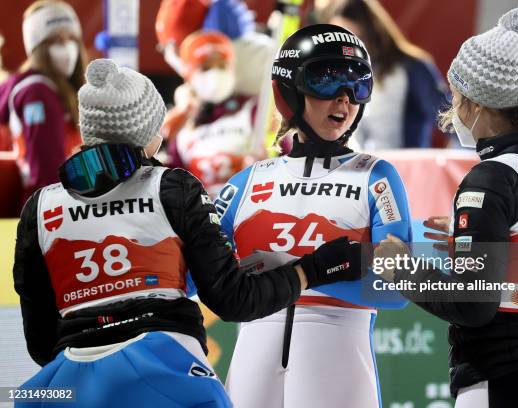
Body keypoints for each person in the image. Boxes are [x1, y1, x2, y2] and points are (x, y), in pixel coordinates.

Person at [12, 58, 365, 408]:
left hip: (66, 385)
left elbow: (41, 342)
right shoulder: (173, 188)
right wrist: (315, 268)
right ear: (147, 132)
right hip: (165, 372)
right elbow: (234, 299)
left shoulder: (39, 207)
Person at [380, 8, 518, 408]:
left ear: (479, 102)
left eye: (458, 95)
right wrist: (487, 245)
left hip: (503, 382)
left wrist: (402, 268)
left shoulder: (491, 177)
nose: (454, 107)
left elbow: (473, 305)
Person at [217, 24, 412, 408]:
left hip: (338, 351)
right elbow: (195, 279)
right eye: (327, 81)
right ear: (289, 90)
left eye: (358, 85)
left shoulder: (377, 177)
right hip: (253, 351)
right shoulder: (246, 182)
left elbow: (397, 287)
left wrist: (294, 274)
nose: (345, 98)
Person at [319, 0, 448, 149]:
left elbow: (450, 121)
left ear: (370, 33)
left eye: (354, 39)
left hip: (403, 168)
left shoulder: (413, 67)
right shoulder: (341, 74)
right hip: (358, 167)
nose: (347, 49)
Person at [0, 0, 87, 206]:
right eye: (55, 40)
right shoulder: (37, 93)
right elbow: (48, 173)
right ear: (37, 47)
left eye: (72, 39)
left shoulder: (59, 89)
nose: (67, 47)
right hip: (52, 213)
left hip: (68, 206)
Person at [165, 30, 262, 197]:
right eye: (206, 67)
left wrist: (267, 164)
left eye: (222, 66)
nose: (215, 74)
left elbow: (286, 153)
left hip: (250, 206)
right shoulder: (180, 125)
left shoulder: (254, 108)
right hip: (205, 216)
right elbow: (173, 185)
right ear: (189, 73)